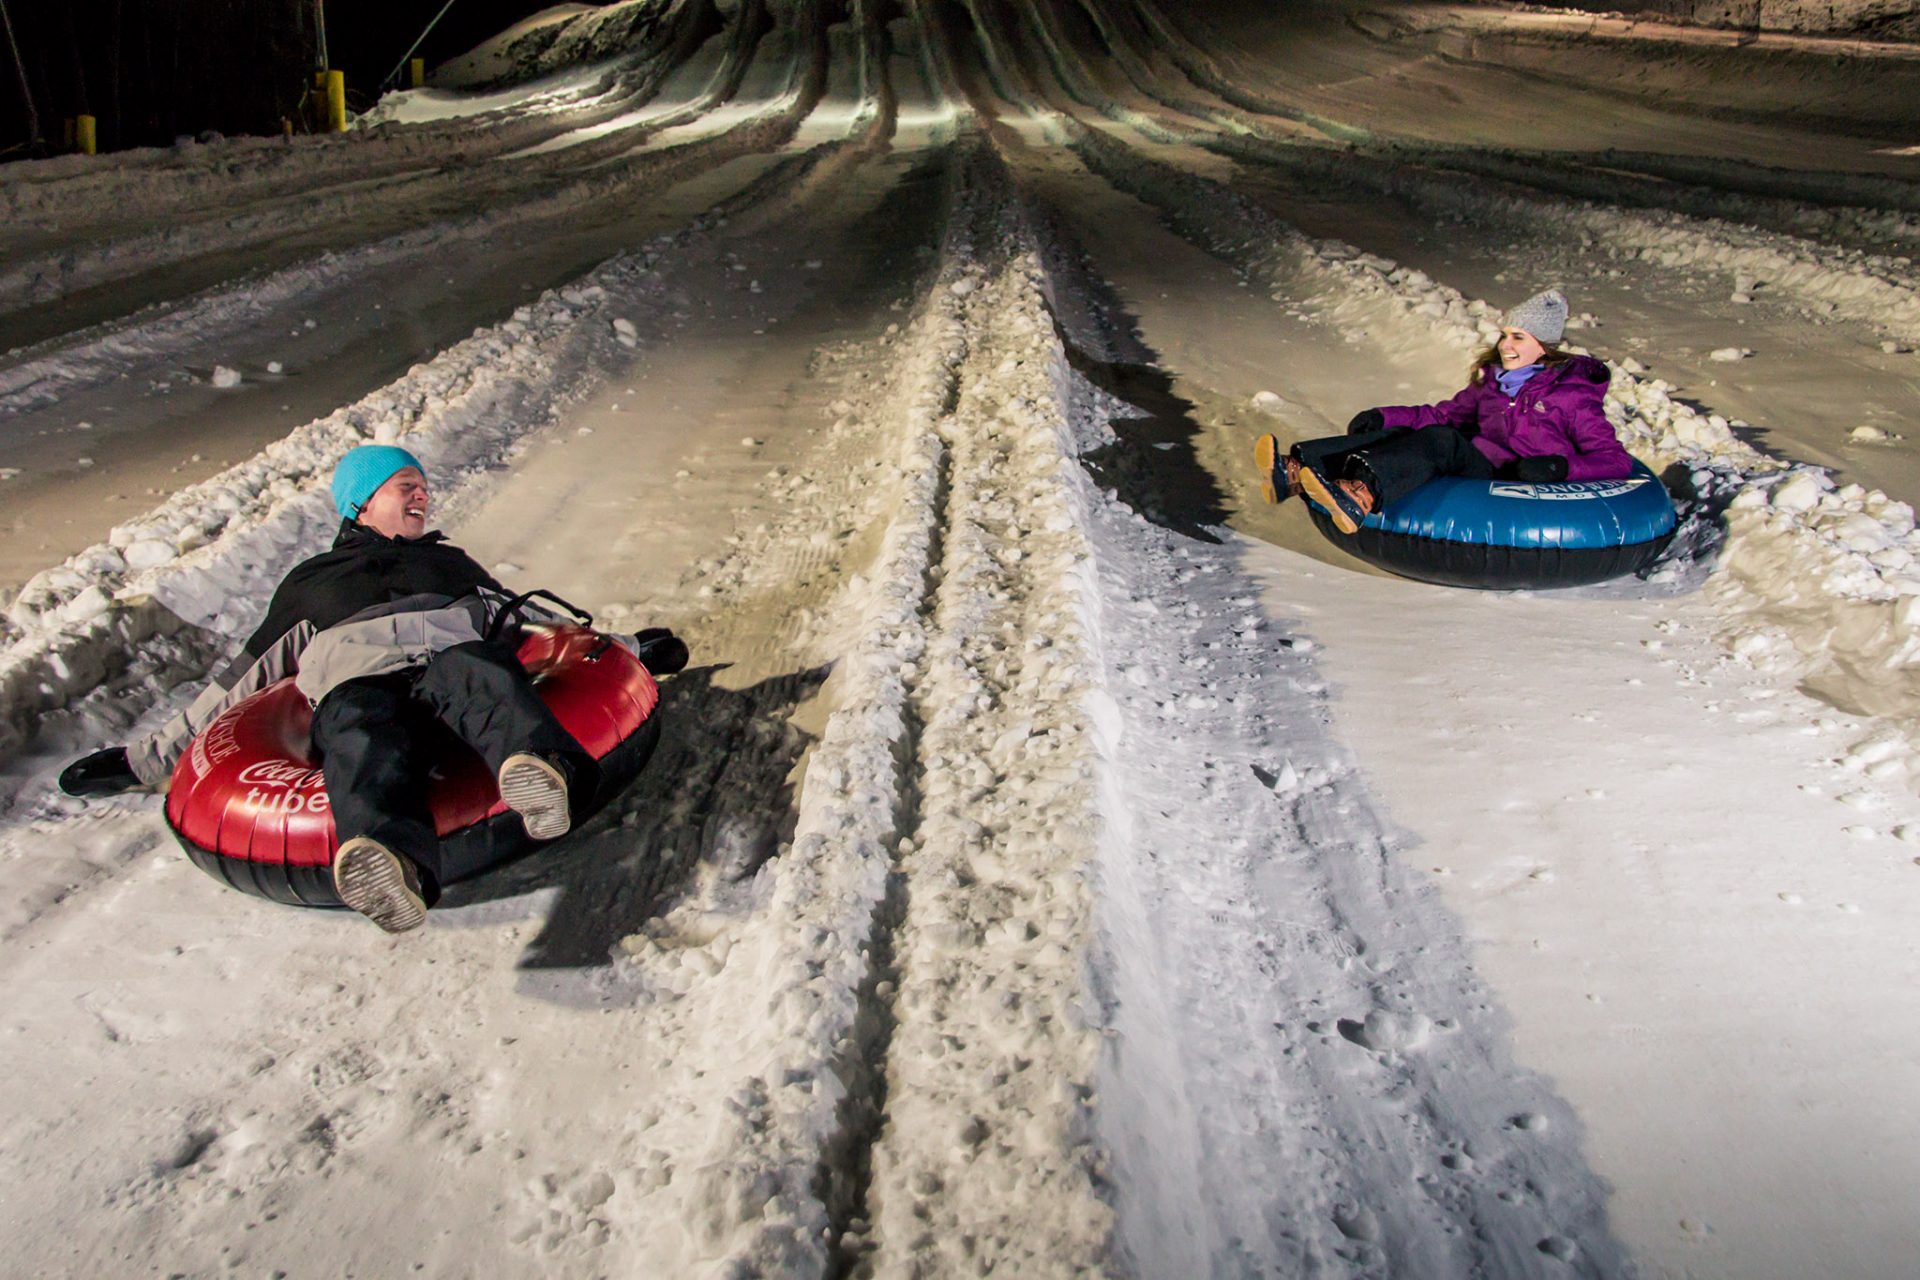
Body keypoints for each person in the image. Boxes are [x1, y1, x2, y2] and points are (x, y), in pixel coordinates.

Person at [58, 444, 688, 934]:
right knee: (359, 730)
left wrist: (629, 651)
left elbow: (529, 631)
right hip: (361, 685)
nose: (423, 495)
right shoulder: (316, 584)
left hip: (448, 670)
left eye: (422, 485)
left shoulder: (450, 565)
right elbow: (238, 684)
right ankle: (390, 863)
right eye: (405, 486)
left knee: (483, 672)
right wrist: (142, 760)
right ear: (361, 502)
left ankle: (542, 774)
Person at [1254, 289, 1634, 535]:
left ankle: (1363, 493)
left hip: (1515, 481)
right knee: (1410, 436)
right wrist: (1387, 417)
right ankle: (1298, 470)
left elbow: (1614, 461)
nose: (1505, 345)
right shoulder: (1494, 381)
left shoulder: (1571, 396)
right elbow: (1446, 414)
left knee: (1440, 442)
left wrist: (1560, 468)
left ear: (1544, 346)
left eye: (1519, 337)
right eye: (1504, 335)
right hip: (1483, 460)